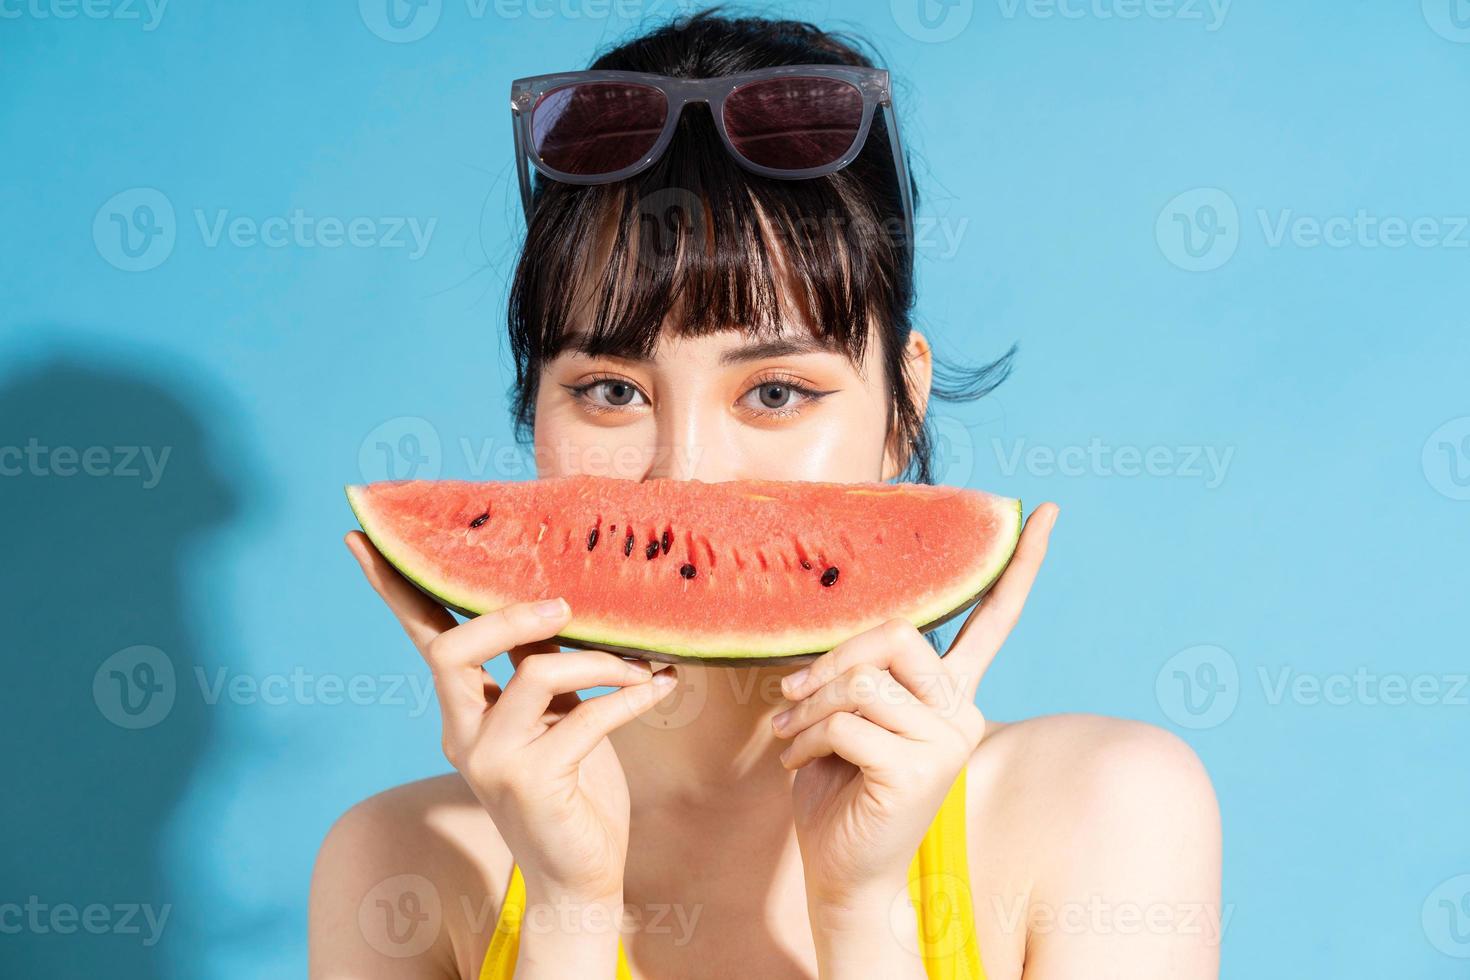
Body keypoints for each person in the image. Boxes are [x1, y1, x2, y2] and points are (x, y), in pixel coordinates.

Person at [310, 9, 1221, 978]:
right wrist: (569, 912)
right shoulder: (399, 865)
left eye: (776, 392)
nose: (687, 472)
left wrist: (861, 907)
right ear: (535, 410)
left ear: (902, 408)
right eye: (611, 391)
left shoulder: (1103, 811)